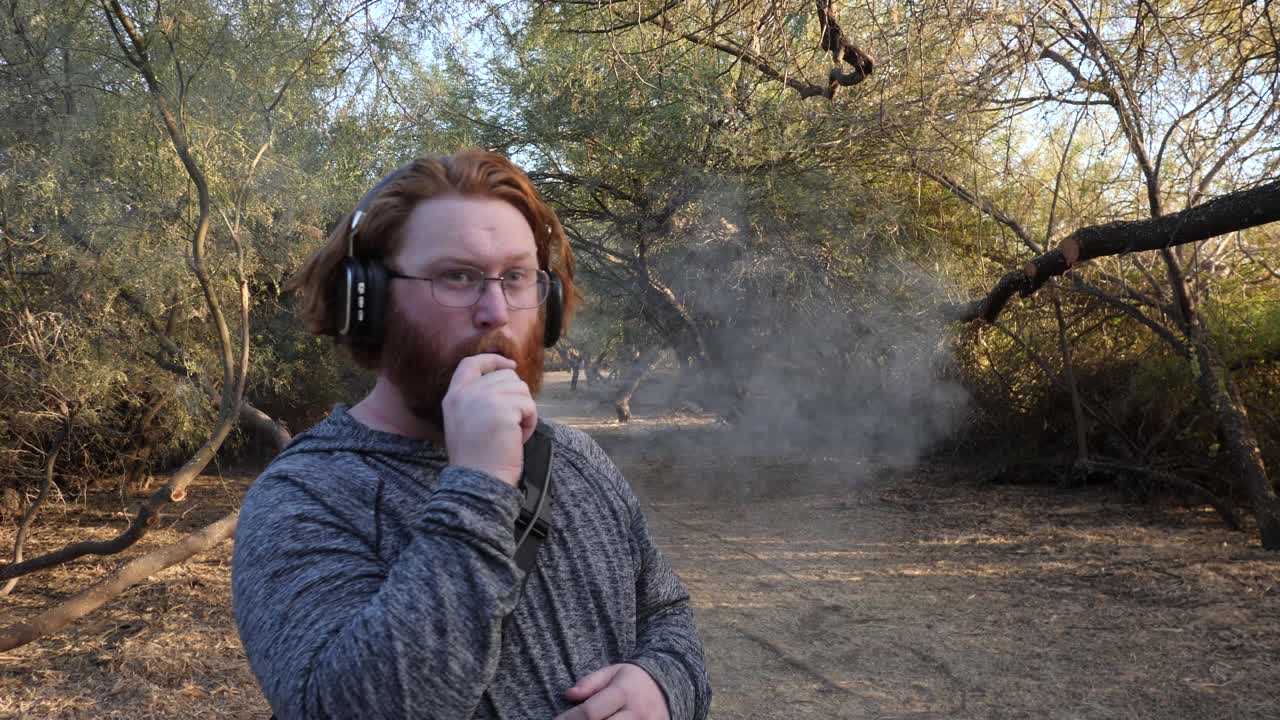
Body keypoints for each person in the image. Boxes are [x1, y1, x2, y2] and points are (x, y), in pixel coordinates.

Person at [230, 149, 712, 720]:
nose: (496, 311)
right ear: (369, 304)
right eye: (456, 277)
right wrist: (480, 484)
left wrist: (662, 686)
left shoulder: (578, 457)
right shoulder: (302, 498)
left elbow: (666, 614)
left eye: (516, 277)